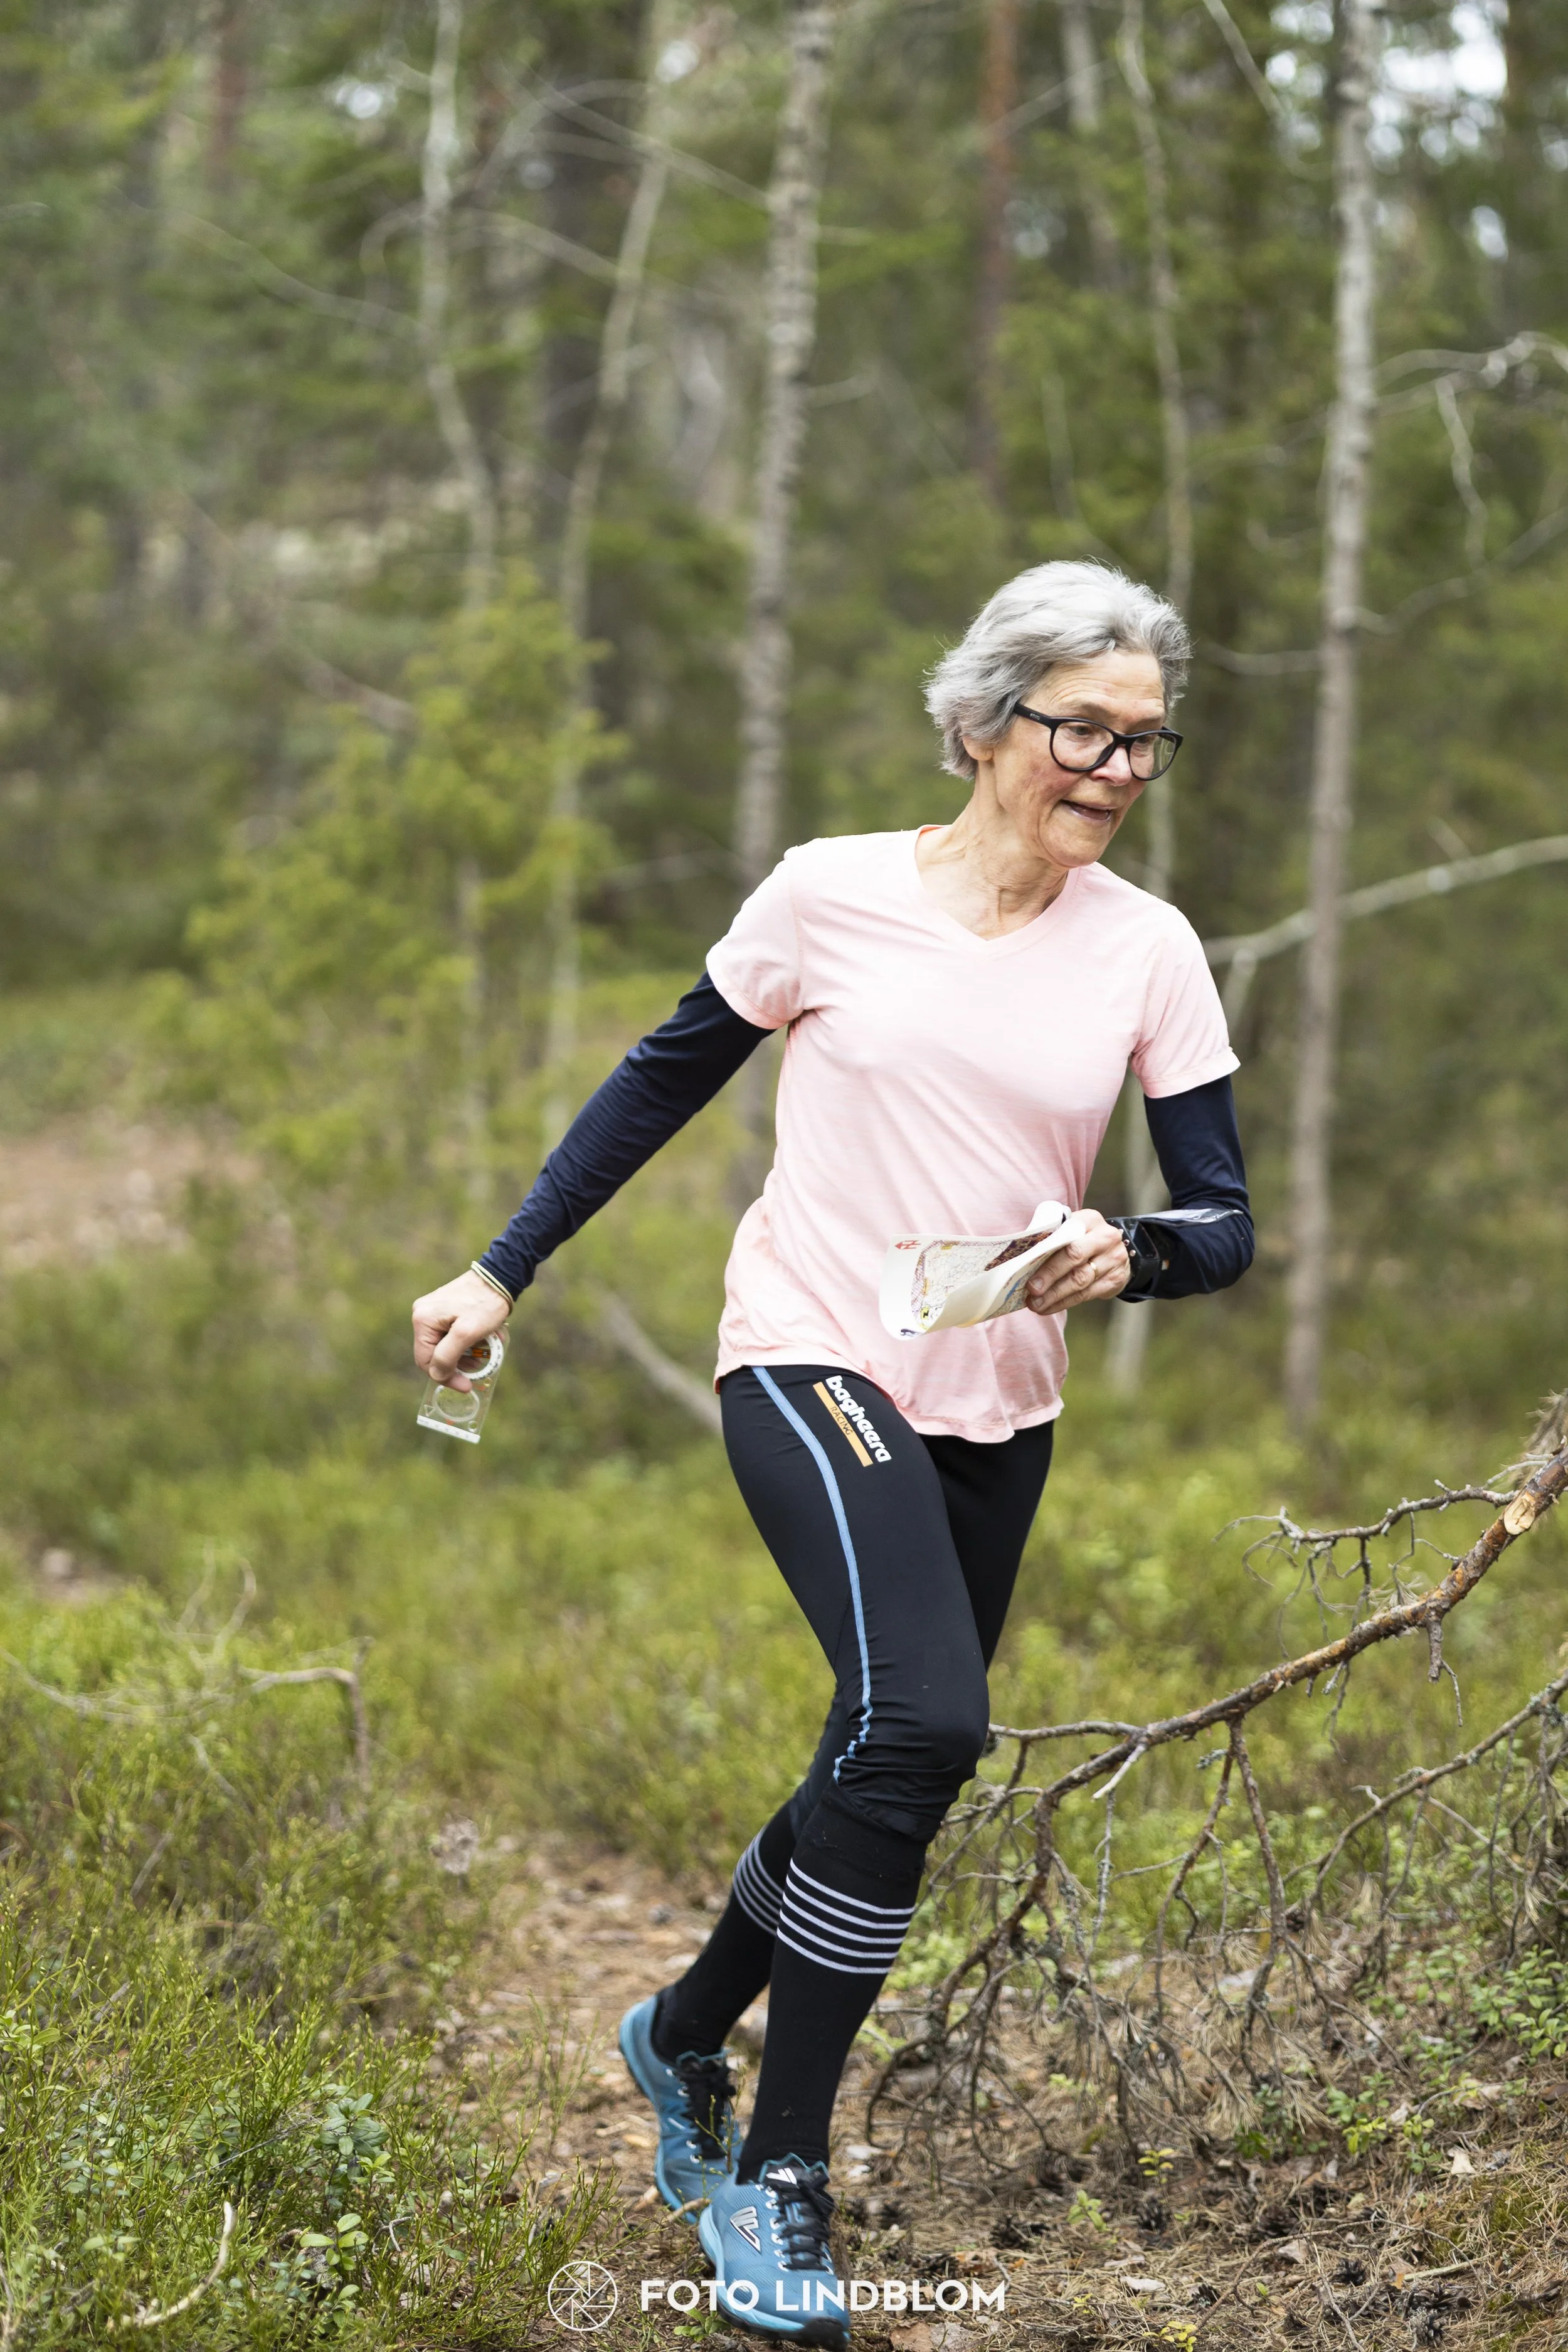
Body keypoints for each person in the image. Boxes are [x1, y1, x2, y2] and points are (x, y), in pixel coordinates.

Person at [411, 560, 1253, 2344]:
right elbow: (662, 1073)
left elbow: (1223, 1221)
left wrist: (1134, 1248)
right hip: (809, 1351)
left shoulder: (1150, 950)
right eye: (1082, 731)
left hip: (997, 1392)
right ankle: (781, 2175)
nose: (1114, 770)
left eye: (1143, 741)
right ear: (985, 725)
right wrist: (501, 1268)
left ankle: (678, 2030)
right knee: (928, 1722)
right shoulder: (830, 894)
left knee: (882, 1750)